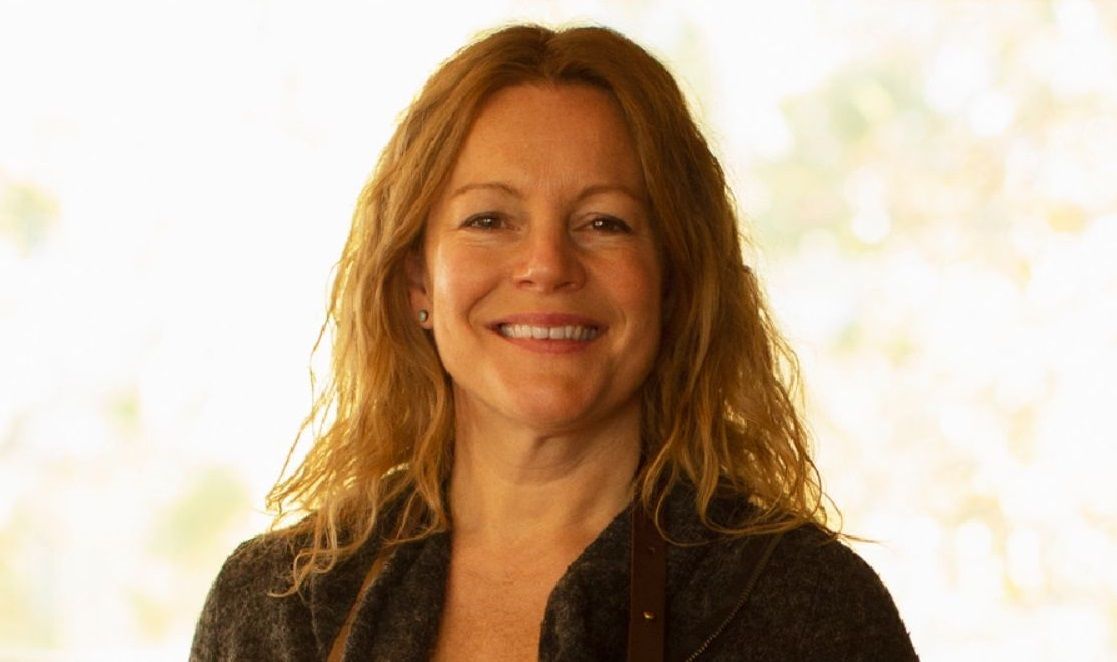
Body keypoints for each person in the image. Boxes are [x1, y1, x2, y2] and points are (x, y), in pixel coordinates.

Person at [190, 24, 917, 661]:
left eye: (604, 223)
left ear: (673, 283)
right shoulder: (277, 606)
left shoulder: (806, 608)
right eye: (488, 220)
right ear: (417, 282)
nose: (546, 265)